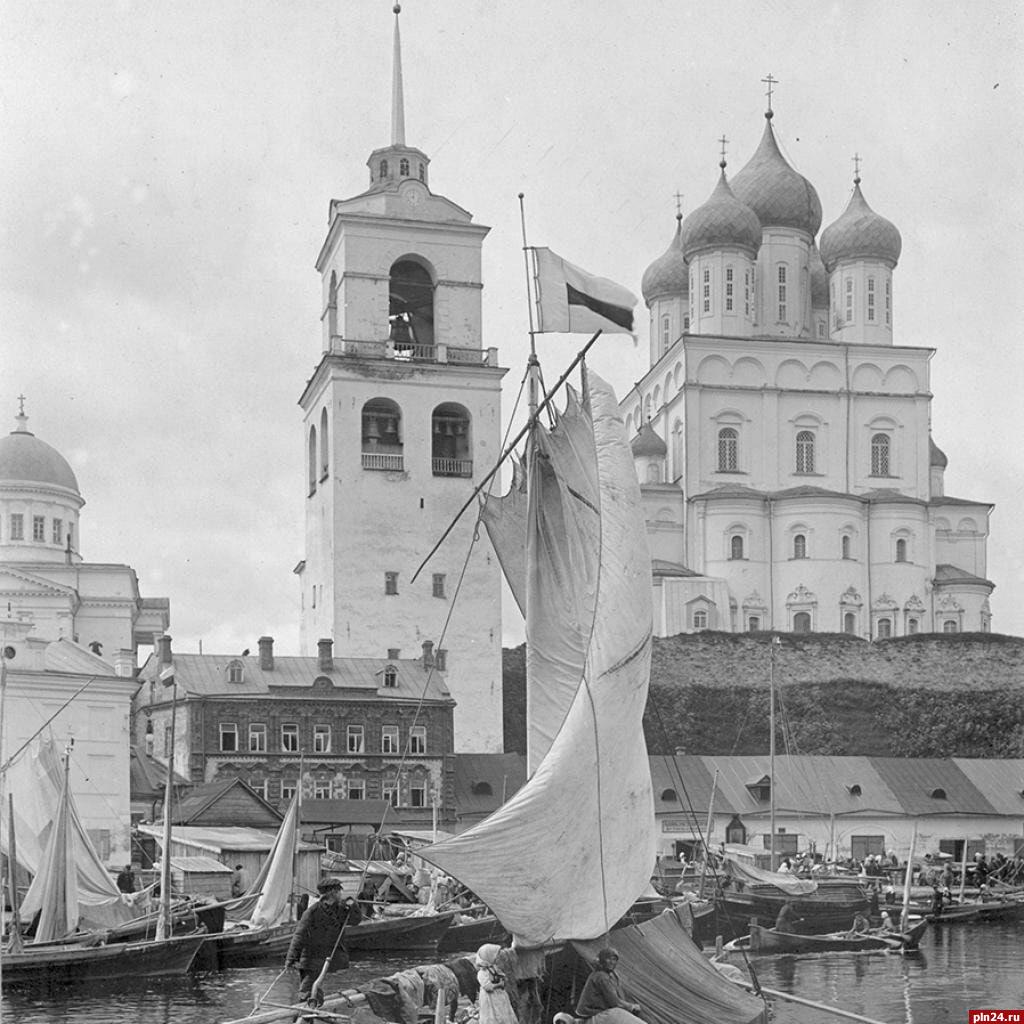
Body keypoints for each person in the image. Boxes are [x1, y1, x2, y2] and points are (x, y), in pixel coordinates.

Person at [285, 879, 363, 1005]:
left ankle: (311, 1010)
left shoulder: (341, 909)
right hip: (311, 958)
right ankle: (301, 1016)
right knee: (307, 990)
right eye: (339, 891)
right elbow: (299, 935)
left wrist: (353, 905)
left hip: (327, 956)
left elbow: (355, 921)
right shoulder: (312, 912)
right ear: (332, 892)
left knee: (313, 990)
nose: (340, 894)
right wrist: (291, 958)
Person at [574, 947, 643, 1024]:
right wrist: (631, 1007)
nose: (611, 962)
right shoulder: (601, 976)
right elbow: (615, 1002)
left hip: (601, 1011)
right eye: (608, 959)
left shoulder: (612, 974)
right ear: (602, 960)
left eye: (614, 959)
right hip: (593, 1014)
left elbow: (619, 996)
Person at [474, 943, 518, 1024]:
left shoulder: (494, 968)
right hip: (490, 998)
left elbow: (503, 976)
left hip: (500, 996)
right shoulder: (482, 973)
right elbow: (488, 987)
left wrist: (504, 979)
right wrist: (499, 984)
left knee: (504, 1014)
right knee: (492, 1017)